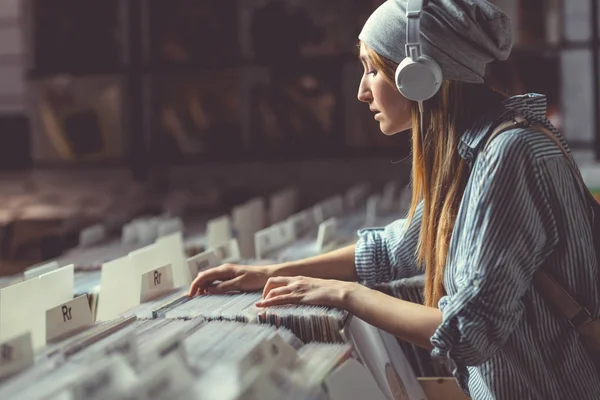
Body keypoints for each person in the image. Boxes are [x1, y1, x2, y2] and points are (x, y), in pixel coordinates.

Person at [189, 1, 600, 398]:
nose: (361, 92)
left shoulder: (509, 154)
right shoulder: (478, 148)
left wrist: (343, 294)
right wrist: (270, 272)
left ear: (419, 77)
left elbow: (466, 333)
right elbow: (397, 249)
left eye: (372, 70)